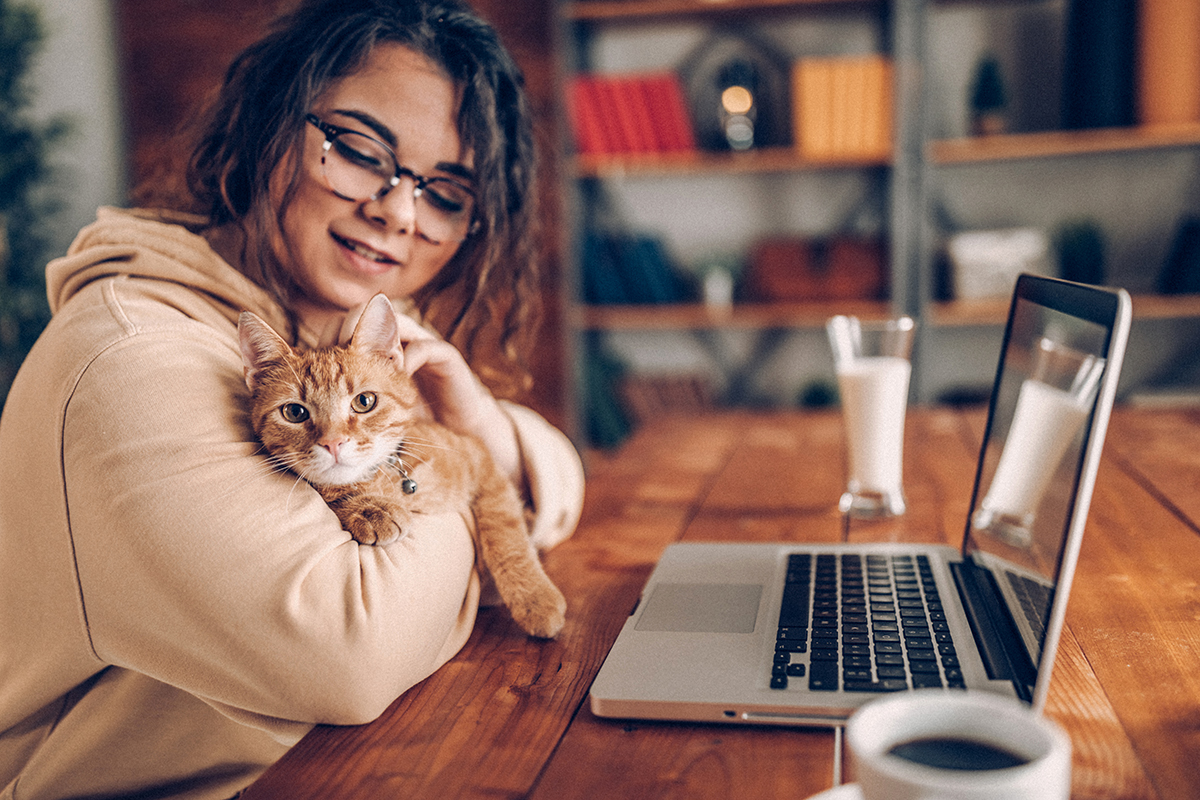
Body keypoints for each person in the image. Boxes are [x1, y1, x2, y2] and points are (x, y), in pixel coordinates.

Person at [0, 0, 584, 797]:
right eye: (358, 149)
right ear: (271, 122)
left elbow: (559, 474)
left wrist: (476, 419)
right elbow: (355, 651)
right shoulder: (132, 361)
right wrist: (471, 479)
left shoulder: (336, 329)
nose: (399, 212)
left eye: (445, 195)